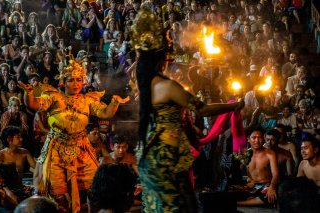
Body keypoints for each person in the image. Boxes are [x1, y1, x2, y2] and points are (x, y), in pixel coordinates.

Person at [132, 8, 244, 212]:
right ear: (161, 59)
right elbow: (202, 109)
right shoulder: (167, 87)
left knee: (157, 205)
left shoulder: (144, 84)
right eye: (168, 58)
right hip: (169, 156)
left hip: (151, 154)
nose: (170, 62)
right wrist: (234, 105)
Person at [19, 58, 129, 212]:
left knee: (95, 185)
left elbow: (105, 113)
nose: (76, 84)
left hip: (81, 148)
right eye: (71, 80)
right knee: (58, 194)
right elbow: (33, 104)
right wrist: (29, 93)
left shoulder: (87, 100)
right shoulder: (54, 97)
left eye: (79, 80)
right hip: (57, 149)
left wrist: (115, 102)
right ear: (64, 81)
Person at [238, 128, 279, 206]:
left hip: (265, 186)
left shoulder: (270, 154)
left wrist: (272, 187)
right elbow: (242, 171)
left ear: (263, 138)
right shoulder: (245, 154)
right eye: (254, 138)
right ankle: (253, 199)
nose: (257, 140)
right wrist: (248, 179)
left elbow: (276, 174)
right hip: (251, 187)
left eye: (259, 137)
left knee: (271, 196)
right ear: (248, 139)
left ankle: (240, 203)